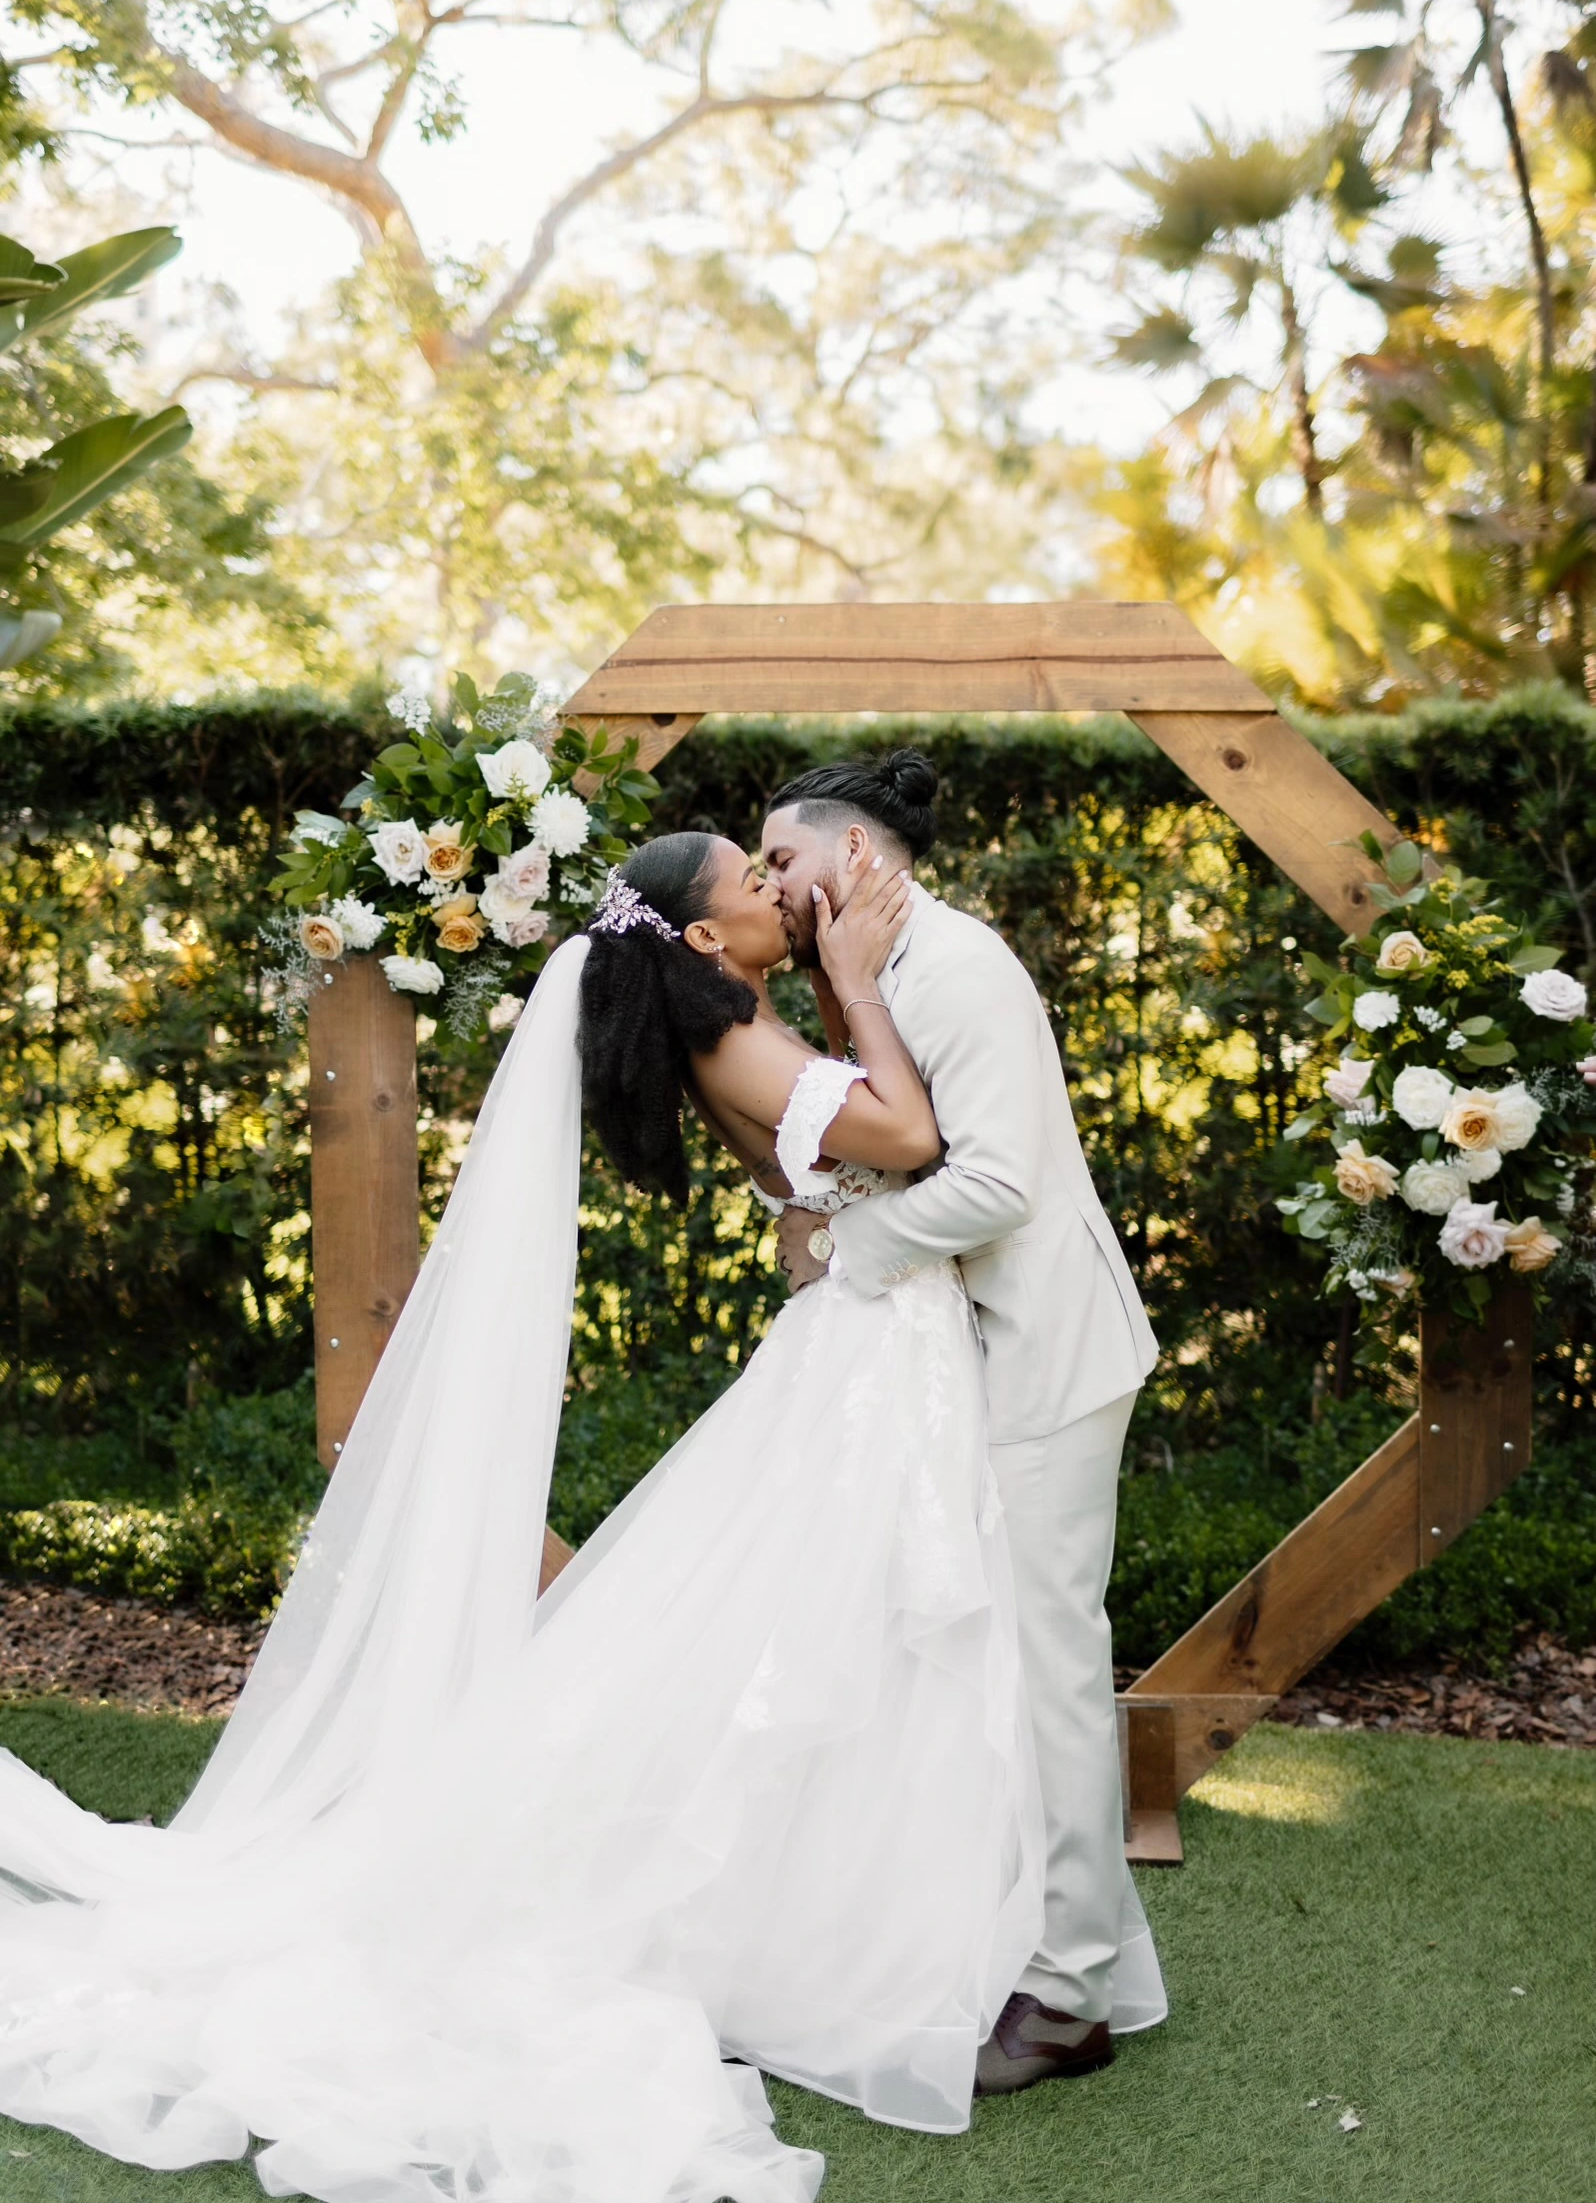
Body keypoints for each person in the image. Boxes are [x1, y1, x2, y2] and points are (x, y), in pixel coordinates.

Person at [0, 823, 1160, 2203]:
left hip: (897, 1352)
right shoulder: (742, 1035)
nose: (780, 891)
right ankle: (920, 1946)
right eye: (753, 880)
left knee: (866, 1641)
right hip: (875, 1358)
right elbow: (905, 1138)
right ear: (707, 942)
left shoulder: (742, 1017)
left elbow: (832, 1176)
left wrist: (834, 1047)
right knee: (840, 1640)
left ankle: (941, 1925)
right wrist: (851, 978)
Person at [760, 750, 1165, 2094]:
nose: (771, 884)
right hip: (974, 1360)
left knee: (1052, 1670)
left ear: (859, 858)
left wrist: (848, 1248)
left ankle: (1065, 1999)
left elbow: (992, 1184)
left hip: (1046, 1358)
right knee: (988, 1664)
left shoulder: (964, 967)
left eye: (781, 860)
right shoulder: (875, 973)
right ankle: (1027, 1943)